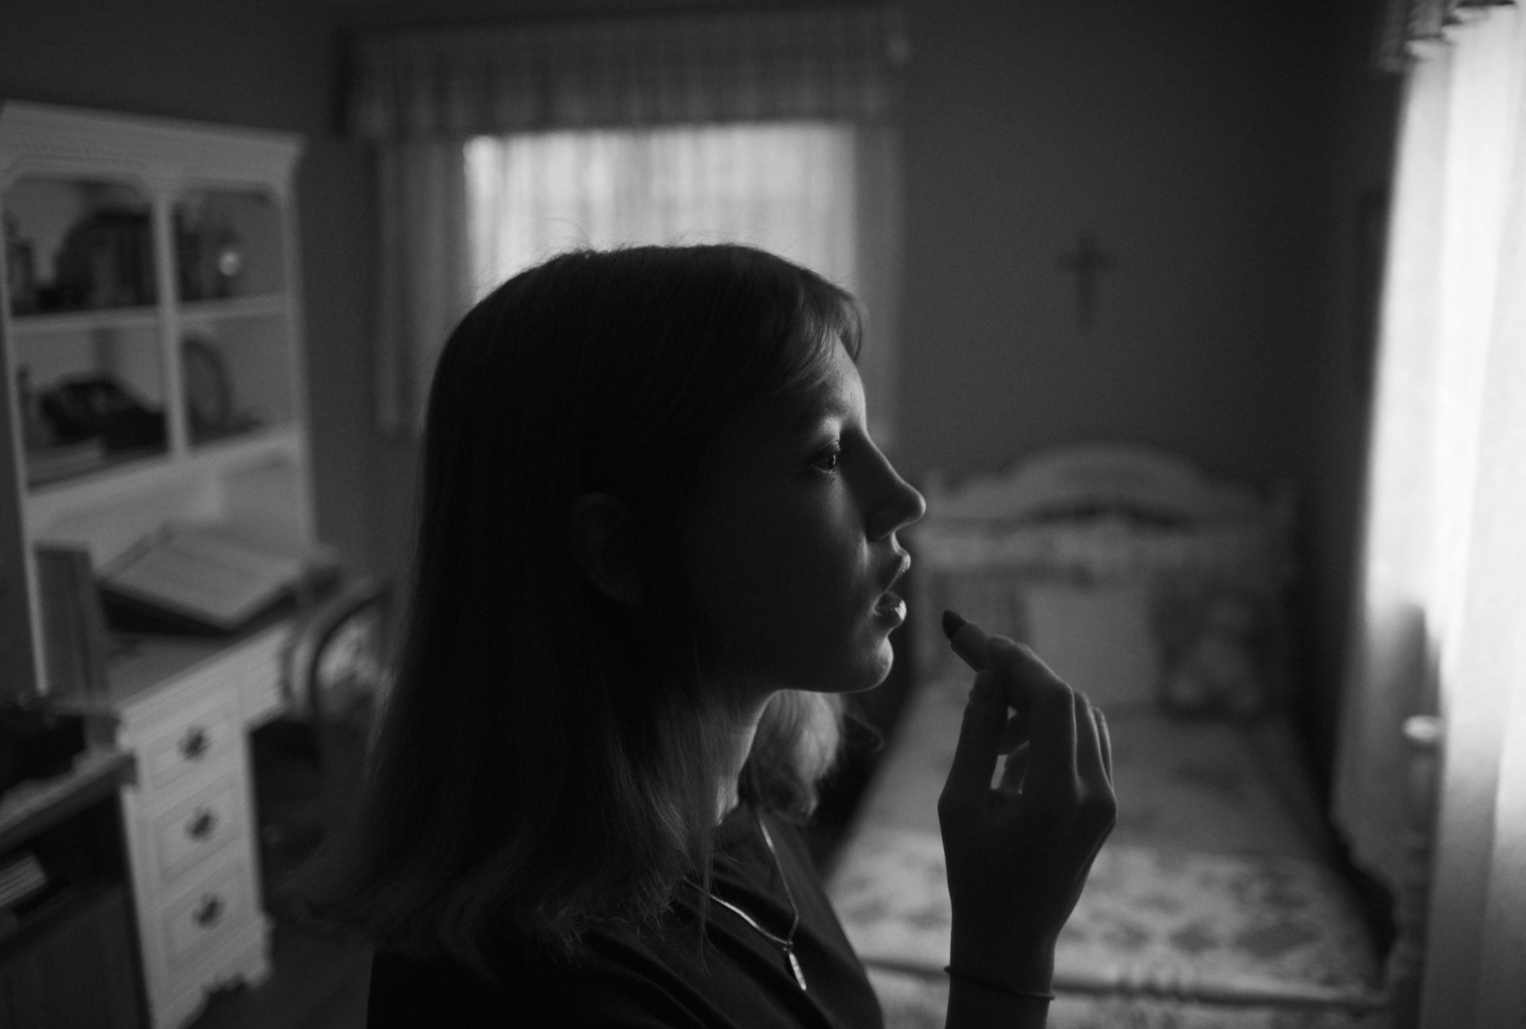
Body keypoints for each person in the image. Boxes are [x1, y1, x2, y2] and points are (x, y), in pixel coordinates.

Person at [298, 244, 1117, 1028]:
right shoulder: (544, 996)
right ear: (621, 551)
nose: (906, 500)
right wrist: (1005, 956)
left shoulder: (740, 809)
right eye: (827, 455)